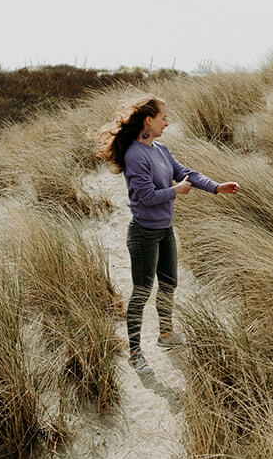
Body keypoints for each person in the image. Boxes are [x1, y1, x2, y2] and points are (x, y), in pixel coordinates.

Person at [98, 95, 238, 375]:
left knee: (169, 283)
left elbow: (185, 173)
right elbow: (146, 197)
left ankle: (165, 335)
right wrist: (176, 191)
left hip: (165, 231)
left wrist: (216, 187)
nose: (167, 121)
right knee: (141, 293)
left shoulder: (160, 149)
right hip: (143, 235)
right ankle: (135, 353)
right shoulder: (135, 155)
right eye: (164, 117)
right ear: (149, 120)